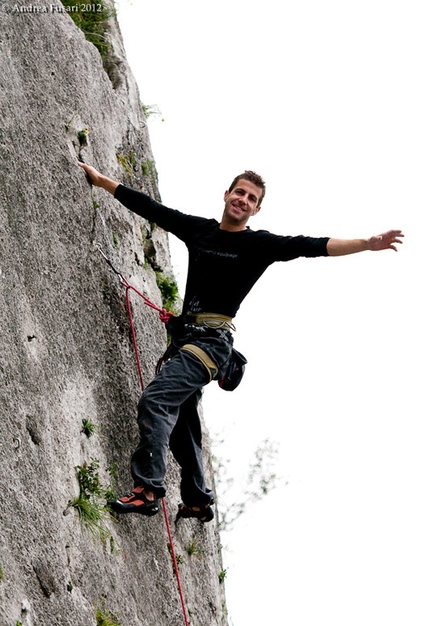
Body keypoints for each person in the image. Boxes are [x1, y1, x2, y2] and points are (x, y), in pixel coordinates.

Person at [78, 162, 403, 522]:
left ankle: (148, 490)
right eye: (240, 192)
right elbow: (152, 209)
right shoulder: (199, 231)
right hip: (188, 338)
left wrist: (367, 244)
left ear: (257, 209)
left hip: (211, 345)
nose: (243, 200)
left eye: (251, 198)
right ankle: (198, 499)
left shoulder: (257, 245)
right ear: (226, 194)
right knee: (183, 420)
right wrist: (103, 181)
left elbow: (313, 246)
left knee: (156, 399)